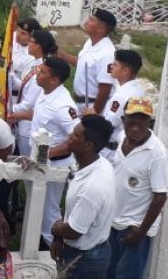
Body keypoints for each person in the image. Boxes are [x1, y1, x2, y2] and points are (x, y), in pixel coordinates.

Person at [108, 98, 168, 279]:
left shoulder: (158, 155)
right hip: (111, 224)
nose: (135, 129)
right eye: (131, 123)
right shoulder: (121, 137)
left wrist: (141, 233)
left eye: (141, 124)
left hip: (133, 230)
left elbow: (160, 198)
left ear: (149, 123)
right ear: (123, 120)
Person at [51, 115, 116, 278]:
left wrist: (55, 229)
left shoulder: (91, 187)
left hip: (83, 259)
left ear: (88, 145)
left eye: (75, 135)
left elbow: (74, 231)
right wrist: (59, 238)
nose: (69, 137)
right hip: (90, 248)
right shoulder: (99, 163)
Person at [28, 56, 79, 248]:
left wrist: (48, 154)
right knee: (37, 204)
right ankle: (39, 242)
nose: (37, 73)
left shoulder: (63, 106)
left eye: (42, 72)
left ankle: (55, 249)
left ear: (54, 80)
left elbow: (77, 138)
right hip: (39, 158)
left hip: (55, 164)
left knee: (49, 209)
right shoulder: (46, 92)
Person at [5, 29, 58, 156]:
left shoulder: (42, 71)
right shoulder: (35, 63)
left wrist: (7, 108)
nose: (28, 44)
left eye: (31, 41)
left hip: (30, 124)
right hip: (23, 120)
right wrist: (10, 75)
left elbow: (28, 103)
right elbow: (24, 86)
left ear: (38, 46)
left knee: (29, 159)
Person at [60, 8, 117, 113]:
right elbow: (84, 65)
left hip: (91, 105)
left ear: (100, 28)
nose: (86, 22)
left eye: (91, 20)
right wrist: (61, 55)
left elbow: (105, 88)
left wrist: (95, 111)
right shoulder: (90, 42)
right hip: (80, 103)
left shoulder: (107, 54)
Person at [102, 49, 146, 154]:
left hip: (111, 150)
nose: (111, 67)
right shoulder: (138, 89)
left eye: (115, 65)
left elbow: (108, 125)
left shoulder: (122, 96)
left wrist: (92, 116)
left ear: (125, 70)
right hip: (128, 148)